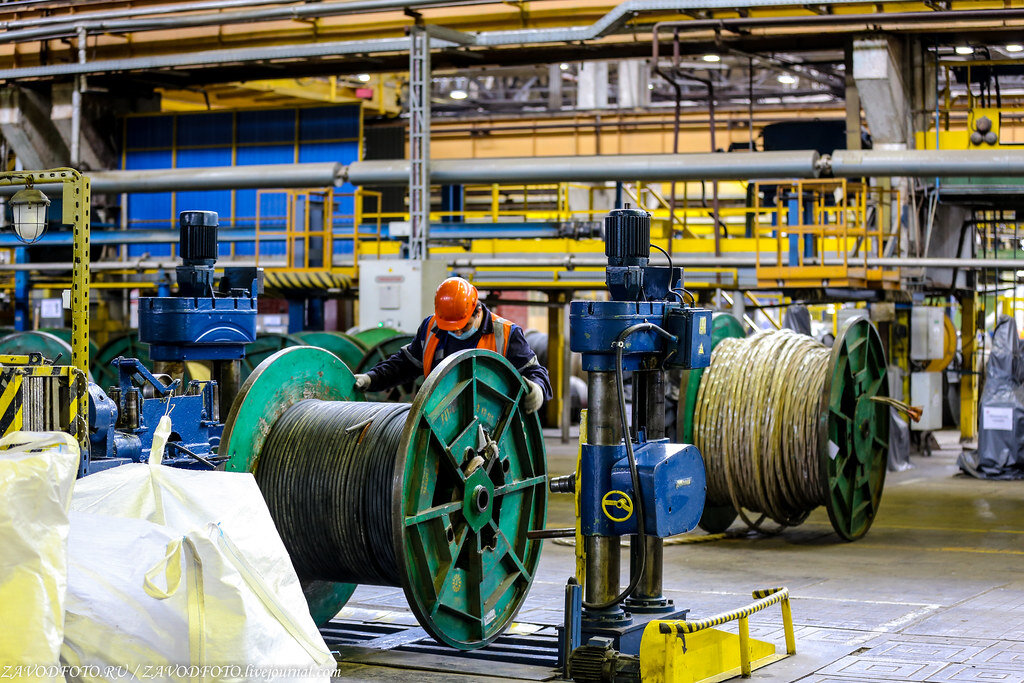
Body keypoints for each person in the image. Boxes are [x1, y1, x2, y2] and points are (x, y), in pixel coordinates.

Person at [354, 277, 551, 413]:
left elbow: (534, 372)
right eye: (450, 327)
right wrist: (372, 378)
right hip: (440, 421)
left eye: (462, 327)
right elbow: (404, 363)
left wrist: (538, 390)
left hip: (490, 427)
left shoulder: (507, 334)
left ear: (477, 311)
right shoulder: (430, 328)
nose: (456, 332)